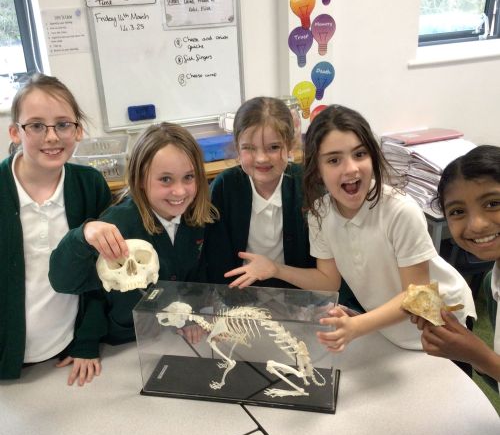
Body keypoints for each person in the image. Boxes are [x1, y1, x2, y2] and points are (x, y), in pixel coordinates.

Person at [225, 104, 476, 352]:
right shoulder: (320, 213)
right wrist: (275, 269)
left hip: (443, 323)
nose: (351, 168)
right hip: (390, 331)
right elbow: (328, 281)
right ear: (317, 169)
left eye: (359, 154)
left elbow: (418, 295)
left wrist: (357, 325)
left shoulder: (400, 211)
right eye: (334, 160)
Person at [49, 122, 219, 366]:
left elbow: (196, 276)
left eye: (188, 177)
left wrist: (193, 316)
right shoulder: (117, 223)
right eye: (166, 179)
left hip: (173, 334)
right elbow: (87, 290)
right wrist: (86, 344)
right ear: (140, 179)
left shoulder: (198, 219)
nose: (179, 191)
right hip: (123, 342)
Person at [0, 73, 111, 383]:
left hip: (64, 352)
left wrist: (87, 340)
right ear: (15, 132)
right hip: (8, 358)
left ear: (78, 130)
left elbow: (102, 274)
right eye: (36, 126)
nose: (51, 137)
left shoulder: (90, 185)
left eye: (63, 124)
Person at [206, 96, 361, 310]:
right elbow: (215, 266)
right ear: (237, 148)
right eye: (249, 148)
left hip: (303, 301)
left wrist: (274, 269)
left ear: (290, 145)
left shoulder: (311, 188)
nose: (262, 158)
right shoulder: (225, 187)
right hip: (242, 302)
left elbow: (328, 282)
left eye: (273, 147)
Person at [411, 145, 500, 391]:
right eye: (458, 211)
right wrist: (467, 350)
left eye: (493, 203)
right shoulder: (493, 283)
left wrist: (480, 355)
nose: (477, 224)